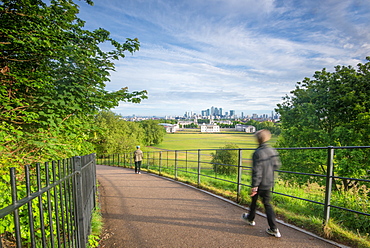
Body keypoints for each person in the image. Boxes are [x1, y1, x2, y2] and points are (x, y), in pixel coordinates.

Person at [241, 129, 282, 238]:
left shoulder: (257, 153)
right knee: (266, 204)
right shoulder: (272, 150)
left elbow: (257, 171)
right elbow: (277, 165)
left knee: (255, 199)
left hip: (259, 183)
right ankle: (273, 228)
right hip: (268, 181)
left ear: (258, 140)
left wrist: (255, 185)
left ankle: (251, 218)